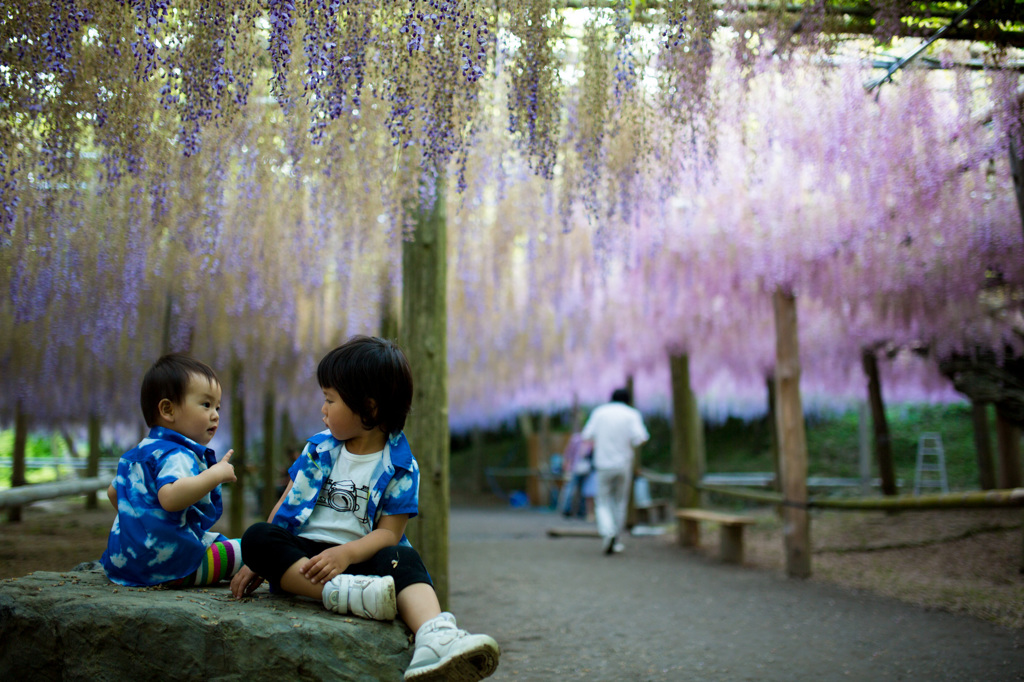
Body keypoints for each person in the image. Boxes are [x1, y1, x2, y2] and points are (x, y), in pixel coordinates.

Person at [230, 336, 500, 682]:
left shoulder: (401, 466)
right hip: (306, 559)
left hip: (363, 559)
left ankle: (435, 635)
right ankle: (340, 594)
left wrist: (345, 554)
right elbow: (286, 504)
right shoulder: (318, 450)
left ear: (369, 409)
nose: (322, 409)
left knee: (406, 560)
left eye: (330, 400)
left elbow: (390, 532)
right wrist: (259, 561)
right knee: (257, 537)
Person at [101, 353, 242, 588]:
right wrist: (215, 474)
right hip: (168, 564)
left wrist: (139, 526)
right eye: (206, 404)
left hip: (123, 562)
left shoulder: (136, 453)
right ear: (168, 410)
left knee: (216, 541)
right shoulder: (176, 454)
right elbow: (171, 497)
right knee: (249, 550)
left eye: (217, 406)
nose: (215, 414)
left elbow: (114, 493)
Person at [581, 387, 649, 555]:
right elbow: (641, 438)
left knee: (602, 501)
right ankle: (616, 538)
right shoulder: (632, 414)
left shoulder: (599, 413)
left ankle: (607, 531)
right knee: (620, 502)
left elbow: (587, 436)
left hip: (603, 464)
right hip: (623, 464)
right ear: (628, 399)